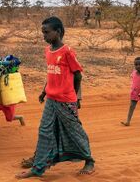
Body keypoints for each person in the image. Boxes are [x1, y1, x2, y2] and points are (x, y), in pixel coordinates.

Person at [17, 17, 94, 178]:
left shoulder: (67, 51)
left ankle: (89, 160)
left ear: (57, 32)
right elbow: (51, 74)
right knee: (44, 131)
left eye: (46, 32)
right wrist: (44, 91)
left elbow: (78, 76)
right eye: (42, 32)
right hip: (51, 99)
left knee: (74, 131)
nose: (44, 36)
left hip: (66, 101)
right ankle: (38, 167)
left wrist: (74, 97)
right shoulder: (48, 51)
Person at [121, 57, 140, 126]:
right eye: (136, 65)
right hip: (134, 93)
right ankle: (128, 121)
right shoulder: (134, 72)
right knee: (131, 106)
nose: (138, 66)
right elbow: (133, 80)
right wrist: (133, 89)